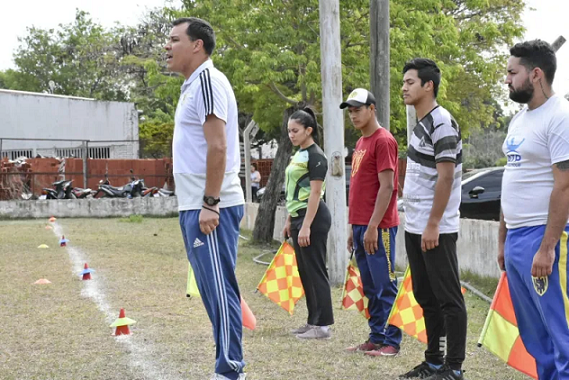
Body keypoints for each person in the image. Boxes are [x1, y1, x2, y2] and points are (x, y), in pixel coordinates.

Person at [166, 17, 246, 380]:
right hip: (193, 204)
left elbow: (219, 145)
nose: (167, 47)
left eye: (174, 39)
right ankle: (225, 367)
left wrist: (210, 203)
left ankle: (230, 370)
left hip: (212, 205)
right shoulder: (191, 85)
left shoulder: (208, 81)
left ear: (197, 45)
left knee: (220, 287)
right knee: (212, 292)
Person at [499, 40, 569, 380]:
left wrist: (547, 247)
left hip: (543, 238)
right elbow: (512, 180)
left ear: (536, 74)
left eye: (513, 73)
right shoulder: (518, 120)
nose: (507, 80)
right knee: (534, 336)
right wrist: (502, 240)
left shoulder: (560, 117)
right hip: (516, 239)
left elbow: (565, 186)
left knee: (560, 334)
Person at [399, 58, 467, 380]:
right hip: (414, 225)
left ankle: (454, 368)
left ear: (429, 85)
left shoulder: (441, 122)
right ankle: (434, 361)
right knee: (426, 297)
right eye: (403, 82)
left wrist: (433, 224)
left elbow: (446, 178)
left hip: (435, 228)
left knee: (449, 298)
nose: (403, 87)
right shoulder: (419, 123)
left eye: (410, 82)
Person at [341, 88, 403, 357]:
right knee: (369, 285)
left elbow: (387, 187)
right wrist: (353, 227)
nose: (354, 115)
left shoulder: (383, 140)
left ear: (372, 109)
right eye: (350, 111)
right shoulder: (360, 143)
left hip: (378, 227)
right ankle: (376, 335)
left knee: (385, 284)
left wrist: (373, 226)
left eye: (358, 109)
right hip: (360, 226)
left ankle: (392, 341)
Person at [282, 107, 334, 340]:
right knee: (305, 272)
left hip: (312, 218)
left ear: (308, 130)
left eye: (295, 131)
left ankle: (322, 326)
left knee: (316, 270)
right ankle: (312, 321)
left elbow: (315, 194)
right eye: (289, 131)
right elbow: (295, 191)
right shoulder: (299, 154)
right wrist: (289, 219)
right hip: (298, 216)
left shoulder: (316, 155)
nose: (291, 135)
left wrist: (306, 226)